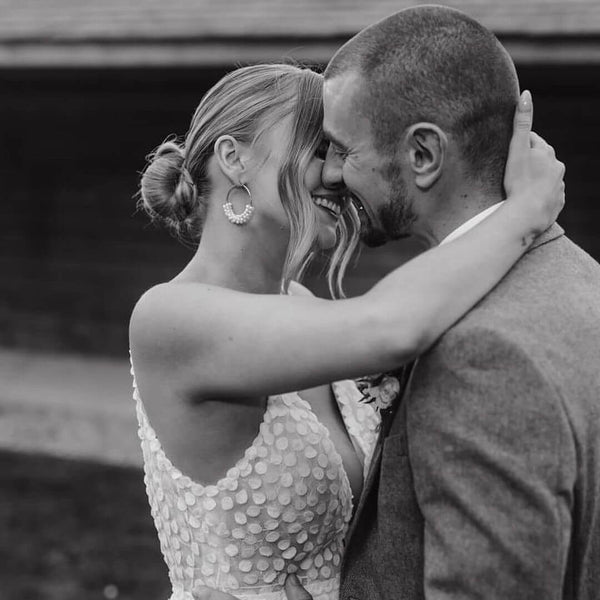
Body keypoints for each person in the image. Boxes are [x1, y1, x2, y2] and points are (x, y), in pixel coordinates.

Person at [130, 59, 564, 600]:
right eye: (317, 148)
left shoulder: (300, 302)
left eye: (340, 151)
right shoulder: (168, 318)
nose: (336, 174)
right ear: (233, 157)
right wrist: (523, 212)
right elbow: (391, 327)